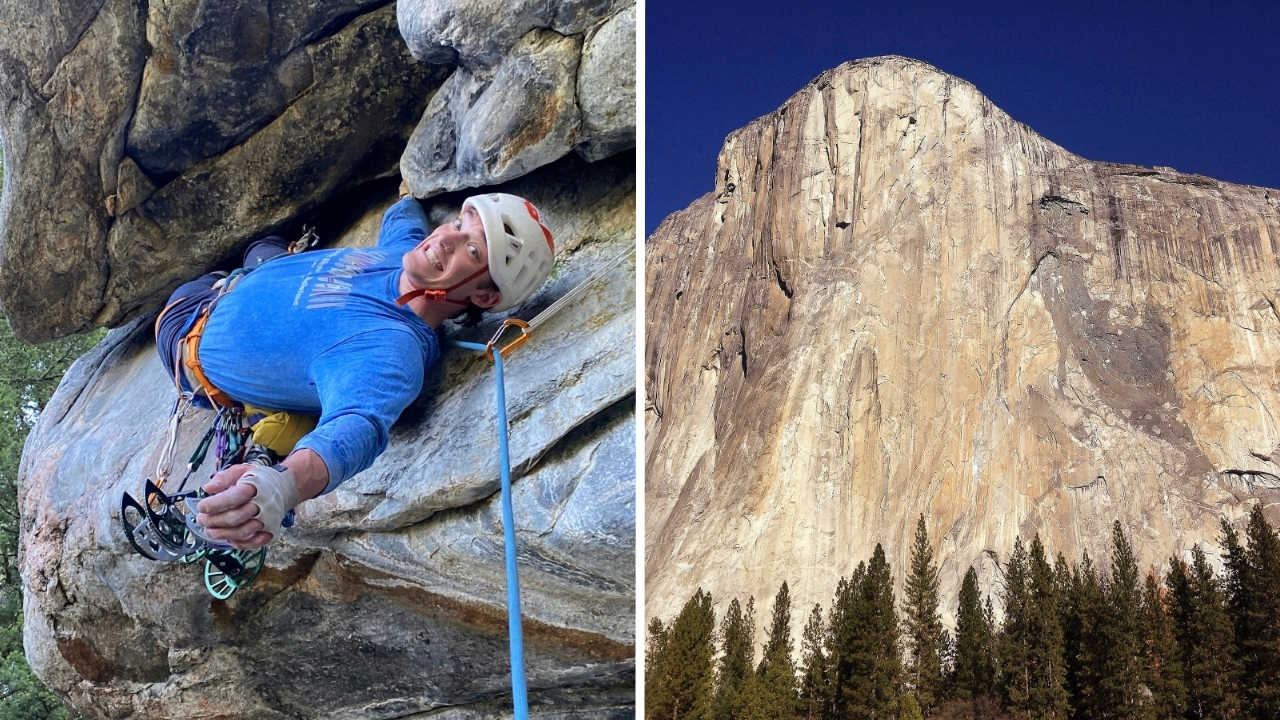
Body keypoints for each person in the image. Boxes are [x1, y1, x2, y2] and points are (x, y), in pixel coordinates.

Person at [152, 185, 555, 551]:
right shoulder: (404, 254)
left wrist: (283, 486)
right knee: (263, 249)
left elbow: (356, 428)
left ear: (484, 296)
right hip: (256, 274)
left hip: (186, 330)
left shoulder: (391, 351)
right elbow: (404, 220)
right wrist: (408, 193)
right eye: (457, 223)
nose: (445, 238)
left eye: (472, 250)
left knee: (208, 278)